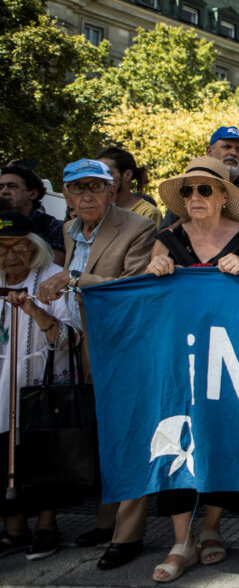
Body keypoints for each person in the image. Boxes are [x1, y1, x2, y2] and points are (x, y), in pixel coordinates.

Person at [144, 157, 239, 582]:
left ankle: (212, 526)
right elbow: (146, 300)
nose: (194, 197)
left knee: (223, 438)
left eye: (204, 190)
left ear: (223, 198)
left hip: (230, 359)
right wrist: (153, 271)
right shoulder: (165, 238)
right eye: (188, 191)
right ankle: (182, 541)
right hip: (176, 359)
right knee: (175, 437)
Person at [36, 159, 156, 571]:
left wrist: (72, 280)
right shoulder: (71, 230)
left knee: (128, 435)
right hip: (84, 343)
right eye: (77, 188)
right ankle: (106, 523)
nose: (86, 195)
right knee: (100, 436)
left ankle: (129, 535)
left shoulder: (138, 226)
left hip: (127, 345)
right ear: (66, 196)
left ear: (112, 189)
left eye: (95, 187)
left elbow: (133, 288)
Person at [0, 212, 78, 561]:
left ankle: (47, 524)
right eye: (2, 249)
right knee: (4, 454)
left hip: (41, 381)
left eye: (20, 247)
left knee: (43, 453)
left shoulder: (50, 279)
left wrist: (33, 309)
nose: (11, 256)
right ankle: (13, 527)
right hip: (1, 384)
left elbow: (69, 338)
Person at [161, 126, 239, 238]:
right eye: (227, 147)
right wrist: (187, 219)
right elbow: (162, 237)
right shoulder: (187, 186)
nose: (233, 153)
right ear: (209, 151)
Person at [0, 165, 64, 265]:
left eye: (12, 186)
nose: (4, 191)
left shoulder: (52, 226)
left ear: (33, 194)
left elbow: (53, 267)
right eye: (0, 187)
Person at [96, 148, 161, 224]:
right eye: (97, 174)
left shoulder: (147, 213)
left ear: (127, 175)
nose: (100, 178)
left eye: (108, 173)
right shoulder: (93, 209)